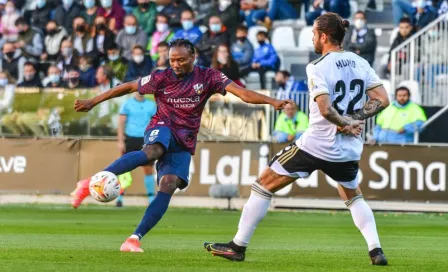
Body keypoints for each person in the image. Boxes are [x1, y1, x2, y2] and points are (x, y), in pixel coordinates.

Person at [70, 38, 292, 251]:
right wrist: (92, 101)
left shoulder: (209, 77)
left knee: (169, 184)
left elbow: (242, 94)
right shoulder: (161, 77)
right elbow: (128, 87)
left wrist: (272, 101)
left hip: (185, 137)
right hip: (163, 125)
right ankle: (91, 181)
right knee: (152, 151)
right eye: (172, 60)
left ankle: (133, 239)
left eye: (181, 60)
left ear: (193, 57)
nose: (175, 64)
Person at [204, 13, 390, 266]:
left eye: (314, 34)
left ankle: (237, 246)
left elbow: (325, 109)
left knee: (262, 184)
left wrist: (344, 122)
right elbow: (382, 99)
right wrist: (354, 119)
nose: (312, 38)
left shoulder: (317, 66)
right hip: (348, 150)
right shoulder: (360, 62)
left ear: (324, 36)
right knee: (353, 196)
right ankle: (375, 250)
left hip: (317, 144)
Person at [116, 92, 157, 207]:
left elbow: (156, 123)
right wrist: (120, 141)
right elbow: (121, 123)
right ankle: (119, 198)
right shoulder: (127, 104)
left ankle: (151, 199)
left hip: (145, 140)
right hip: (130, 139)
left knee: (148, 169)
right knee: (124, 169)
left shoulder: (151, 105)